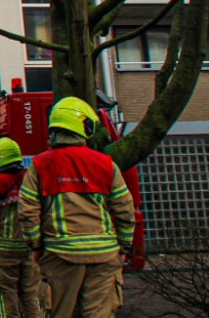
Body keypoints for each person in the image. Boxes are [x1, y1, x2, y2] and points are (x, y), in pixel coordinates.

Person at [18, 97, 135, 318]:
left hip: (60, 255)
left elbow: (27, 211)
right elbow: (124, 210)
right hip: (104, 256)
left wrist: (35, 246)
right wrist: (123, 247)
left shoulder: (40, 165)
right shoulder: (105, 164)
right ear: (84, 126)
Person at [0, 137, 42, 318]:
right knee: (31, 299)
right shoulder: (31, 182)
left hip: (2, 253)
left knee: (5, 301)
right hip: (28, 250)